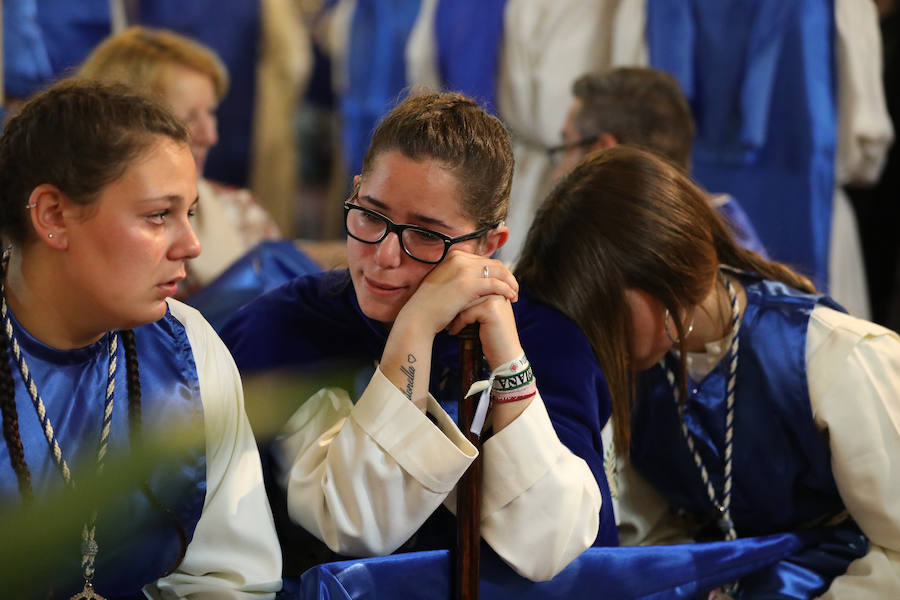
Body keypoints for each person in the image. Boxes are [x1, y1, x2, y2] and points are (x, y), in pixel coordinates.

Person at [220, 91, 616, 582]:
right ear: (356, 190)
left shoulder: (545, 339)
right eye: (371, 214)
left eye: (426, 234)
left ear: (488, 246)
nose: (385, 256)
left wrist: (508, 358)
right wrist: (415, 328)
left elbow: (550, 545)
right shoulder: (281, 329)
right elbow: (356, 526)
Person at [515, 145, 900, 597]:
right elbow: (651, 532)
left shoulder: (834, 355)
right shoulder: (643, 367)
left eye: (602, 311)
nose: (594, 335)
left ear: (663, 275)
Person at [0, 80, 281, 598]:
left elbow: (229, 580)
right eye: (158, 215)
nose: (191, 245)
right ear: (53, 216)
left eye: (190, 213)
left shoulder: (187, 348)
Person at [77, 26, 286, 297]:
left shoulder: (243, 210)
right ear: (123, 121)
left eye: (210, 113)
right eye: (187, 119)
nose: (210, 136)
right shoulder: (90, 224)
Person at [548, 67, 768, 257]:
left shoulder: (641, 269)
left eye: (567, 149)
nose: (558, 174)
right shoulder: (729, 241)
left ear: (603, 151)